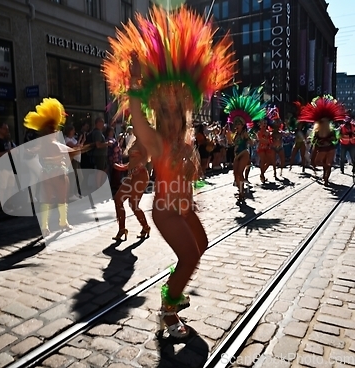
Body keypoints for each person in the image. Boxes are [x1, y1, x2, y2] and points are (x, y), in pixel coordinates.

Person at [103, 4, 235, 338]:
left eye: (179, 110)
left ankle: (172, 289)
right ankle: (168, 310)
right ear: (161, 114)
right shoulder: (157, 140)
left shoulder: (186, 138)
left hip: (185, 208)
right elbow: (135, 114)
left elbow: (192, 173)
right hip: (165, 211)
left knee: (200, 248)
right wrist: (134, 80)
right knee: (190, 256)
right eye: (168, 111)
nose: (174, 117)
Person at [23, 98, 84, 237]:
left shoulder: (42, 143)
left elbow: (66, 151)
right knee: (61, 199)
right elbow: (68, 151)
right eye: (56, 128)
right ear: (53, 130)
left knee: (47, 200)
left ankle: (45, 227)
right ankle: (62, 222)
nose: (57, 130)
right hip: (58, 174)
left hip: (47, 174)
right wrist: (77, 149)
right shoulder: (53, 143)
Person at [220, 86, 266, 200]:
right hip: (236, 156)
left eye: (238, 124)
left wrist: (252, 140)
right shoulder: (235, 134)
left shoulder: (245, 133)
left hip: (244, 154)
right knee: (235, 175)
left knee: (240, 173)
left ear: (242, 125)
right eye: (235, 124)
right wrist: (227, 134)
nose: (236, 126)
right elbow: (230, 144)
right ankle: (241, 190)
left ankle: (241, 193)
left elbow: (250, 143)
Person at [112, 129, 150, 241]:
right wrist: (123, 167)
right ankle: (122, 229)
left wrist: (138, 167)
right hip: (131, 175)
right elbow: (133, 161)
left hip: (140, 176)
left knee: (133, 204)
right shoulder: (134, 142)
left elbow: (145, 158)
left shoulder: (143, 142)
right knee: (118, 199)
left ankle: (145, 227)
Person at [299, 95, 345, 186]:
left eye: (326, 121)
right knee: (319, 162)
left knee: (328, 164)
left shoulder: (331, 131)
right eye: (323, 121)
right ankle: (324, 175)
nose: (325, 122)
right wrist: (313, 141)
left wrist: (332, 139)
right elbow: (314, 140)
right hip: (321, 148)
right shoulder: (316, 132)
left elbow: (335, 139)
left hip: (330, 148)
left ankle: (326, 179)